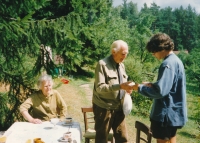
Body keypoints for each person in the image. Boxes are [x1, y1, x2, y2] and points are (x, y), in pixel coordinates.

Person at [132, 33, 187, 143]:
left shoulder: (167, 64)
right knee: (171, 139)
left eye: (153, 51)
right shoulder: (176, 61)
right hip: (173, 115)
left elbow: (160, 92)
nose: (153, 54)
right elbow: (171, 87)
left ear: (161, 48)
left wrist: (138, 88)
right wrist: (154, 85)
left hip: (165, 116)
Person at [92, 40, 133, 143]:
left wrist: (127, 89)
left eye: (126, 54)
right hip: (104, 108)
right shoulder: (102, 64)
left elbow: (122, 84)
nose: (125, 57)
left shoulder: (122, 65)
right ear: (114, 52)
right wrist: (120, 86)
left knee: (122, 138)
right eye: (123, 54)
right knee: (102, 139)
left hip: (119, 108)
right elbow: (100, 88)